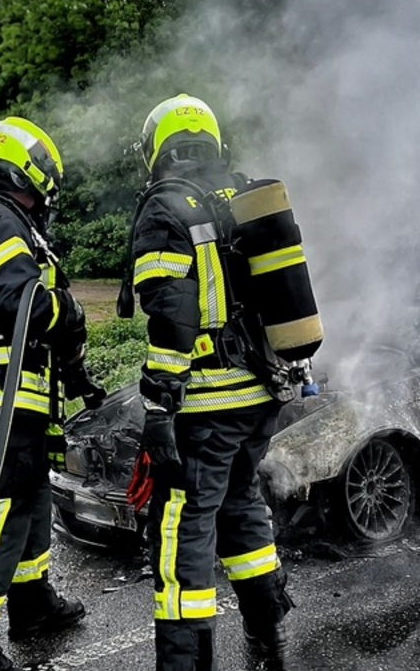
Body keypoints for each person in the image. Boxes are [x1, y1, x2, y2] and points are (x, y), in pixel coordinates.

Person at [128, 94, 296, 671]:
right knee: (244, 510)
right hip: (260, 397)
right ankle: (268, 645)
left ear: (158, 149)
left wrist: (157, 407)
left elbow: (172, 314)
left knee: (181, 535)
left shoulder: (166, 208)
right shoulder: (242, 197)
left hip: (206, 404)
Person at [0, 116, 98, 671]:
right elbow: (21, 301)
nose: (46, 192)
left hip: (19, 392)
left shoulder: (6, 218)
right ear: (21, 168)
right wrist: (70, 312)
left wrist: (76, 376)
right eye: (42, 179)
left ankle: (32, 604)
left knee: (29, 504)